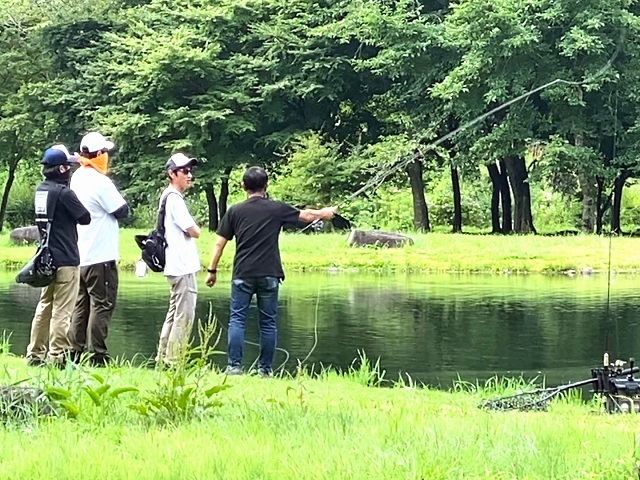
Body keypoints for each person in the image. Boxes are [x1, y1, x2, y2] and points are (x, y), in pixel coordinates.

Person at [205, 166, 336, 377]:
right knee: (268, 324)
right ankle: (264, 370)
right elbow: (306, 215)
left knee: (237, 320)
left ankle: (234, 367)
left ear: (243, 186)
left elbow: (219, 244)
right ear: (266, 186)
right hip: (269, 274)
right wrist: (324, 213)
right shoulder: (277, 208)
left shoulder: (235, 211)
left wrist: (212, 270)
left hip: (243, 273)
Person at [26, 145, 91, 367]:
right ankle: (57, 356)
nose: (70, 170)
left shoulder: (41, 191)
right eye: (68, 166)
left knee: (44, 306)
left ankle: (35, 353)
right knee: (63, 310)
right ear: (62, 169)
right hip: (66, 260)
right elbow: (85, 217)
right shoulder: (64, 193)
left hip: (46, 259)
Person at [68, 132, 128, 366]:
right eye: (105, 152)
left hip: (80, 255)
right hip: (100, 256)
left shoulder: (77, 177)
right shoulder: (100, 182)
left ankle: (75, 351)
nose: (107, 157)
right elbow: (121, 210)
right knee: (102, 304)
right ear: (99, 154)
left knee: (81, 306)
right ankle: (98, 355)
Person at [155, 153, 201, 365]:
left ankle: (163, 356)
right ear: (172, 173)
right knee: (184, 316)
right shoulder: (174, 199)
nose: (189, 175)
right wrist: (196, 228)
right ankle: (174, 360)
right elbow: (193, 230)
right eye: (185, 171)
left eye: (190, 171)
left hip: (174, 264)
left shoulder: (167, 196)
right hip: (182, 266)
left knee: (174, 314)